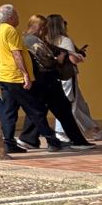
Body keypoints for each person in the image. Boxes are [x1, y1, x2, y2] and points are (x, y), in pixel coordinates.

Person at [0, 4, 67, 154]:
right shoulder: (11, 31)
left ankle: (8, 142)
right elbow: (17, 54)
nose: (19, 18)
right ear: (11, 17)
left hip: (3, 76)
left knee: (9, 111)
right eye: (17, 15)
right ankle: (52, 140)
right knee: (35, 109)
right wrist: (25, 74)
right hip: (15, 76)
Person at [19, 14, 95, 151]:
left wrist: (65, 52)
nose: (47, 31)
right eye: (45, 28)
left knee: (38, 110)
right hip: (46, 80)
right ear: (40, 27)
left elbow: (53, 49)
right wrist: (58, 60)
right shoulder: (32, 40)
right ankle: (77, 141)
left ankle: (28, 139)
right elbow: (47, 60)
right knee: (63, 109)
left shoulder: (29, 39)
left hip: (40, 80)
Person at [48, 14, 99, 141]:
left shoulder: (47, 40)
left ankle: (91, 128)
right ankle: (61, 132)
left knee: (80, 104)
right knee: (69, 103)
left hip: (55, 74)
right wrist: (79, 56)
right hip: (68, 75)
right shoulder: (65, 40)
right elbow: (73, 60)